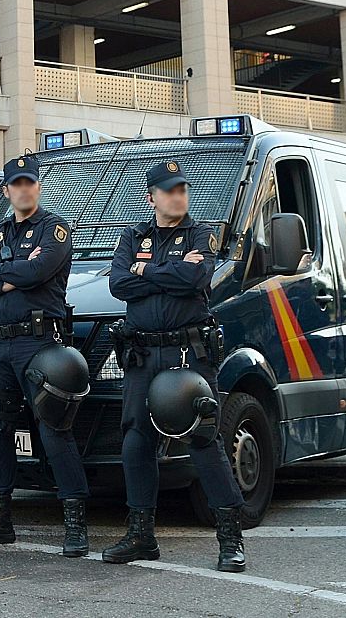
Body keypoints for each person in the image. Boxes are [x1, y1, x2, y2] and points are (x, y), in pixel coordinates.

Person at [106, 161, 247, 572]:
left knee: (203, 439)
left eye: (182, 189)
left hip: (188, 353)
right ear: (151, 197)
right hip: (143, 354)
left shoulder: (200, 233)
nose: (177, 195)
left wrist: (145, 269)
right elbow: (118, 284)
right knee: (136, 440)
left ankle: (229, 538)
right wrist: (167, 271)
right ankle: (141, 535)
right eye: (168, 190)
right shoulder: (133, 235)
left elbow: (196, 277)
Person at [0, 156, 89, 556]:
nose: (24, 189)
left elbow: (40, 272)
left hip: (38, 345)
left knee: (53, 430)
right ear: (6, 191)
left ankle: (75, 523)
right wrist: (10, 274)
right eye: (16, 184)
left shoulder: (56, 228)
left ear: (37, 187)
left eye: (29, 183)